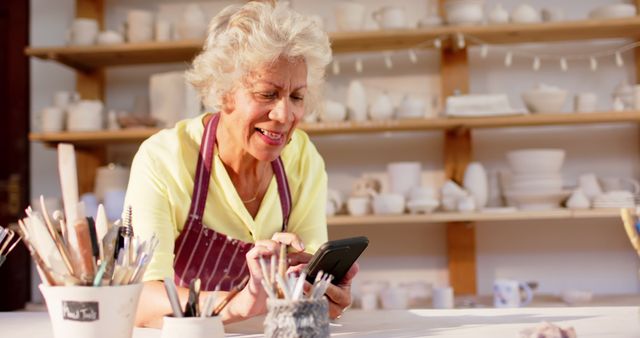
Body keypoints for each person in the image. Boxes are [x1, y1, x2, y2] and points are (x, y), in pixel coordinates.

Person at [125, 0, 358, 328]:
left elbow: (309, 282)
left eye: (296, 97)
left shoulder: (303, 159)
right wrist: (240, 304)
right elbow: (139, 301)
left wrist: (321, 292)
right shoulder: (164, 159)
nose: (283, 116)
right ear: (222, 92)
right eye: (267, 94)